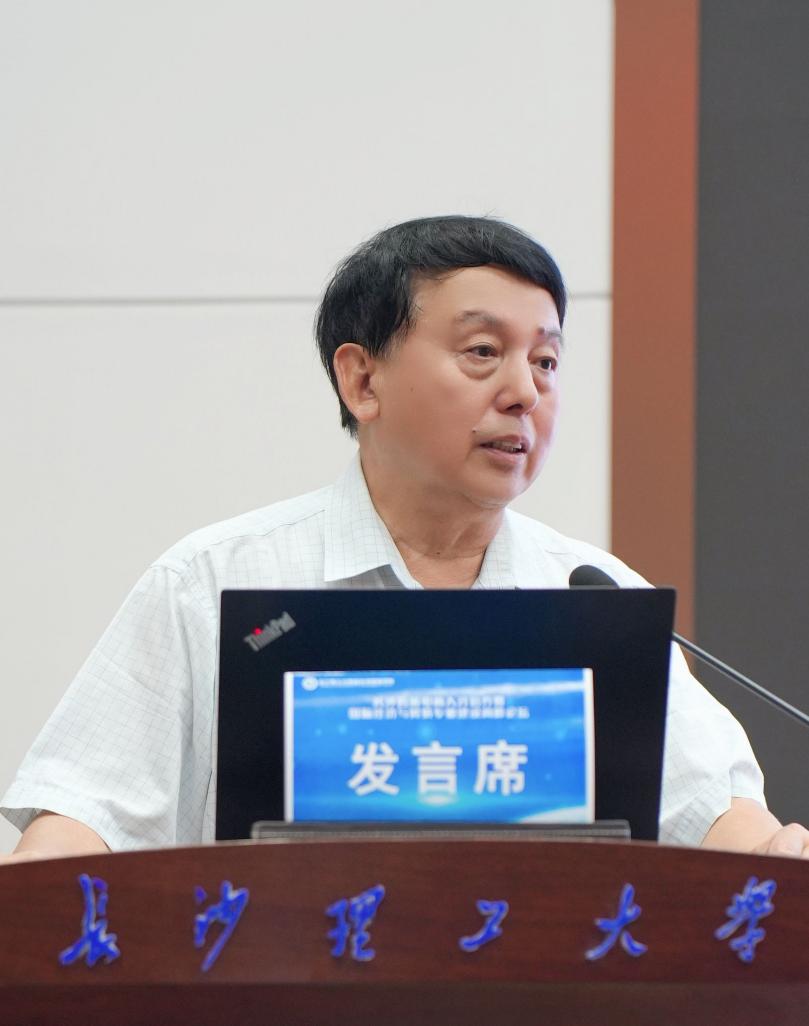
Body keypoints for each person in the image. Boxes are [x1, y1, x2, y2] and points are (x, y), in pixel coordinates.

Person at [3, 215, 808, 863]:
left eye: (546, 361)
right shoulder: (212, 581)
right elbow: (83, 823)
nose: (524, 393)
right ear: (362, 379)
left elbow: (717, 819)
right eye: (482, 352)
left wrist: (774, 852)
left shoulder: (596, 596)